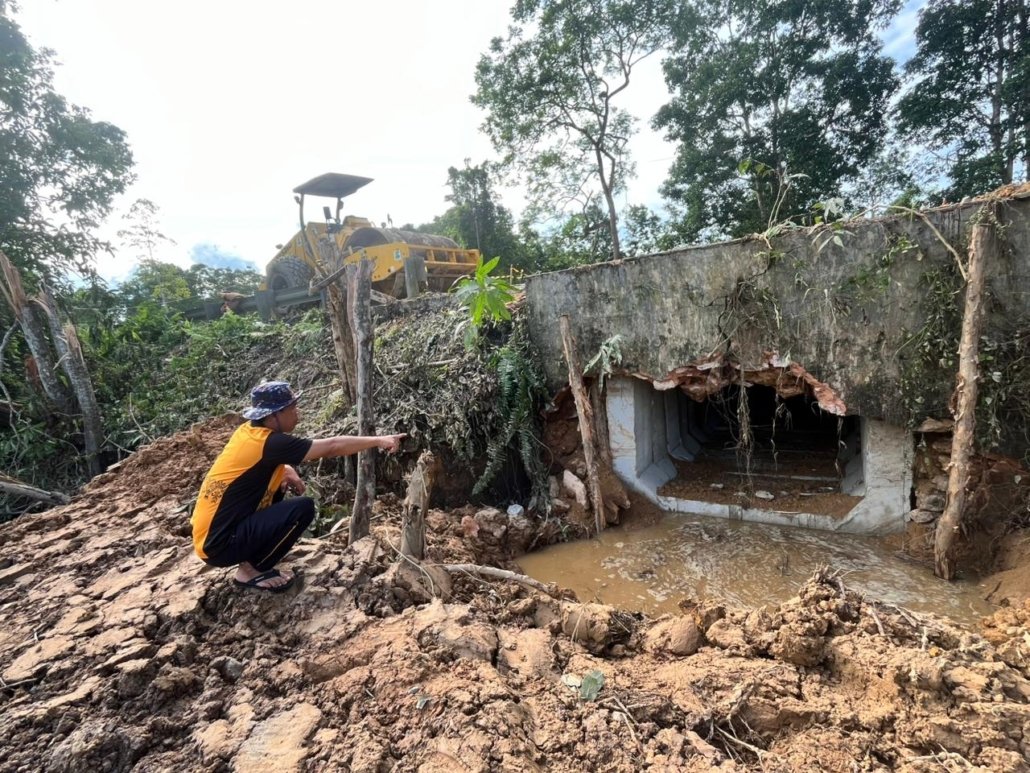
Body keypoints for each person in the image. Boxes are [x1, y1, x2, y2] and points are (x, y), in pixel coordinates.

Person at [191, 380, 405, 593]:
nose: (297, 413)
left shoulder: (249, 433)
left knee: (279, 487)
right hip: (220, 546)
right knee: (302, 508)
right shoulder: (271, 443)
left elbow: (257, 463)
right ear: (273, 415)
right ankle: (251, 570)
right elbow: (332, 447)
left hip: (211, 536)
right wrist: (379, 440)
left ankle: (250, 558)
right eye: (292, 408)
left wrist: (285, 469)